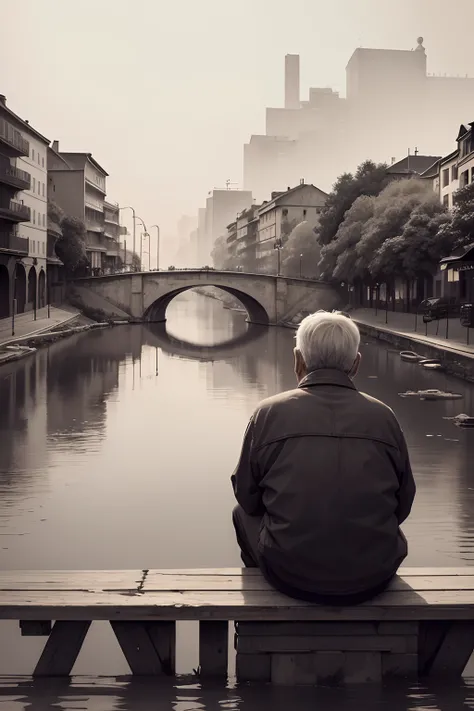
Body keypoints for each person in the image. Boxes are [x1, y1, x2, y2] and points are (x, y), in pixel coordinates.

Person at [231, 310, 416, 605]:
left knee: (241, 515)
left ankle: (263, 606)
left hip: (290, 578)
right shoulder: (384, 416)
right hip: (373, 578)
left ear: (297, 359)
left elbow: (247, 497)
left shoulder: (268, 413)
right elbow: (402, 503)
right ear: (356, 364)